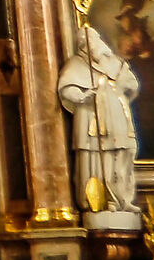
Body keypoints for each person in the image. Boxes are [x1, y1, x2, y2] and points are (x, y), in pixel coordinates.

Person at [58, 23, 139, 212]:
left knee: (124, 154)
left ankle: (122, 198)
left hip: (118, 119)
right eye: (86, 44)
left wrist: (122, 86)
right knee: (97, 160)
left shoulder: (114, 63)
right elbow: (67, 88)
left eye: (93, 42)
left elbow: (131, 83)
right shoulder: (76, 65)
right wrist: (83, 96)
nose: (91, 47)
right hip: (91, 121)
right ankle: (101, 201)